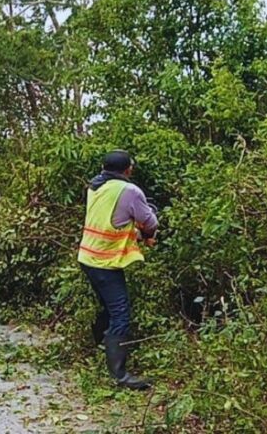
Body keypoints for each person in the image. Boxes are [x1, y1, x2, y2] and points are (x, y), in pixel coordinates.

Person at [78, 150, 157, 391]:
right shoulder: (130, 191)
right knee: (120, 312)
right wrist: (148, 228)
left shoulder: (95, 186)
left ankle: (99, 347)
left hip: (87, 256)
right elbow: (151, 222)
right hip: (105, 262)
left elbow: (114, 219)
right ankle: (120, 375)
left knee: (108, 306)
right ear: (128, 169)